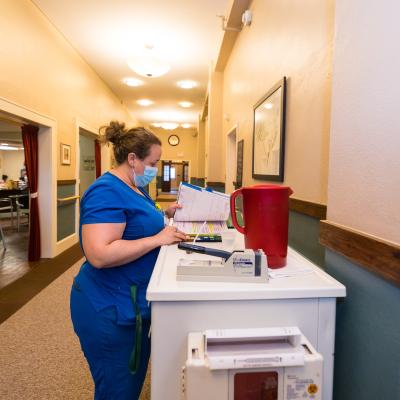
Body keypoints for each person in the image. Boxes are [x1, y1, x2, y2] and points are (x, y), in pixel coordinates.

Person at [70, 121, 187, 400]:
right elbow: (99, 254)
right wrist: (157, 239)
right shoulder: (106, 191)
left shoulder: (134, 187)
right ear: (132, 159)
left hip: (131, 301)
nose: (155, 169)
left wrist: (166, 214)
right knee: (117, 389)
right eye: (153, 162)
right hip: (108, 307)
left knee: (129, 383)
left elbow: (137, 221)